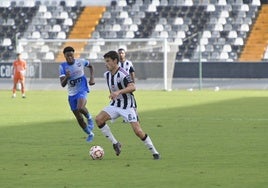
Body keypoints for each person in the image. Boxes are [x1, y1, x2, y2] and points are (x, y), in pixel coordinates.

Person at [95, 51, 160, 160]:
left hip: (128, 106)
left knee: (138, 132)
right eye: (105, 61)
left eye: (108, 61)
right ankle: (115, 143)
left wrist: (118, 92)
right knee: (98, 119)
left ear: (115, 61)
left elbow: (133, 87)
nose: (105, 64)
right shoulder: (107, 75)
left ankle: (155, 152)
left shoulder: (123, 74)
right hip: (115, 105)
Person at [59, 46, 95, 142]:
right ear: (65, 56)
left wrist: (92, 78)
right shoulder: (62, 67)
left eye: (71, 55)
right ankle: (90, 134)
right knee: (79, 118)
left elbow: (91, 66)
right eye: (67, 56)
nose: (70, 57)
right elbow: (62, 84)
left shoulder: (81, 62)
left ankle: (90, 118)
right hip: (71, 94)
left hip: (82, 89)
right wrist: (67, 77)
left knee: (80, 107)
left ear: (73, 54)